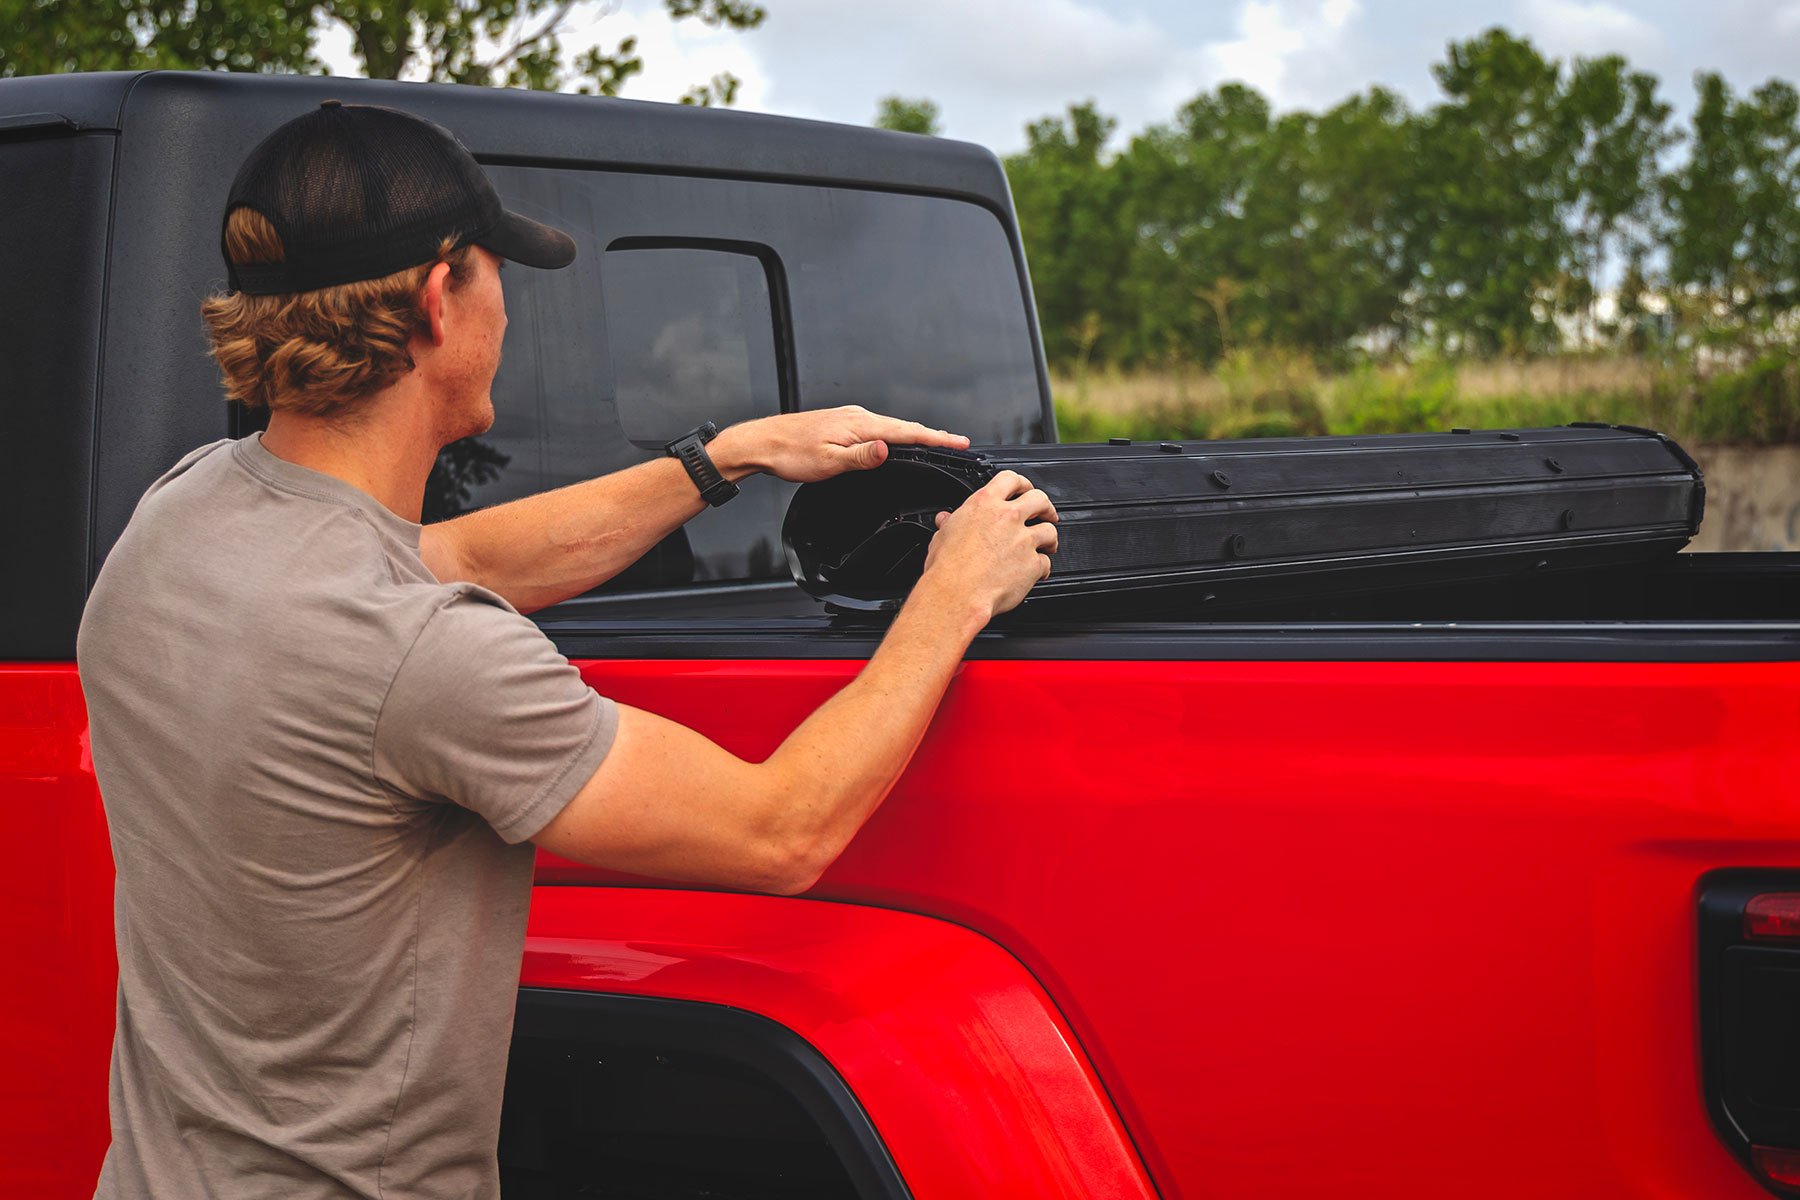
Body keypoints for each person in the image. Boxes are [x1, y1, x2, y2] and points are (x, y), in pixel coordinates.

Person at [75, 100, 1058, 1199]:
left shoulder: (185, 515)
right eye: (499, 270)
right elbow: (779, 830)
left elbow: (452, 555)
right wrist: (954, 592)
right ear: (439, 298)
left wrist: (727, 456)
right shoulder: (424, 656)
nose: (510, 303)